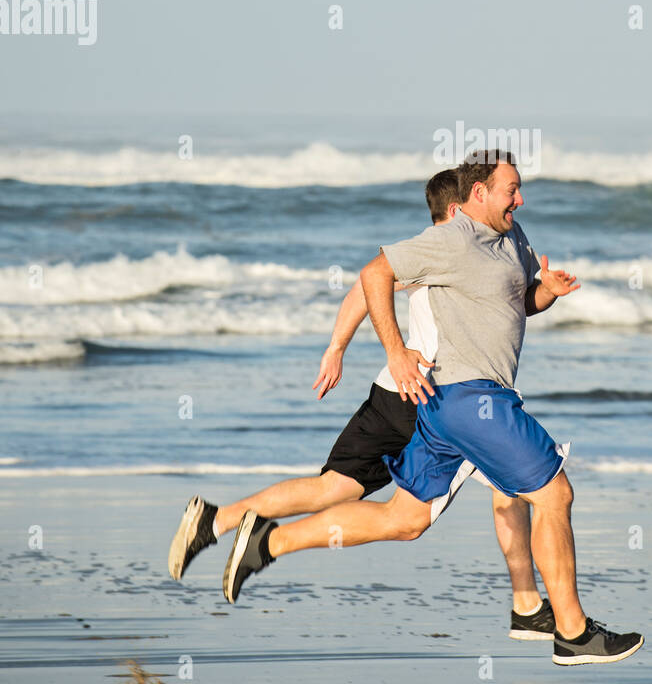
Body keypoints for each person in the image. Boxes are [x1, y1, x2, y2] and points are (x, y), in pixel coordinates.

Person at [167, 169, 555, 639]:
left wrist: (337, 348)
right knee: (504, 489)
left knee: (333, 487)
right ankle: (526, 603)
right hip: (438, 400)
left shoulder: (430, 248)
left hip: (391, 392)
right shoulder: (454, 249)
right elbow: (373, 279)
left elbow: (364, 287)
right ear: (458, 211)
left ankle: (216, 519)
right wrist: (377, 350)